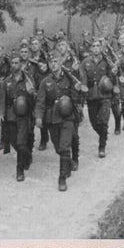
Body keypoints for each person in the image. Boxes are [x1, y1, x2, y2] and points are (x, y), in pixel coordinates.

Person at [35, 50, 82, 191]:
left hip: (67, 117)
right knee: (58, 147)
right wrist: (38, 116)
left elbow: (76, 100)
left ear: (61, 62)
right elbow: (40, 102)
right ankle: (67, 163)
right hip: (53, 118)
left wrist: (77, 90)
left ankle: (62, 178)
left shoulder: (70, 78)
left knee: (65, 145)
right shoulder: (45, 82)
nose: (53, 64)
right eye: (51, 62)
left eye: (56, 61)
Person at [0, 51, 36, 181]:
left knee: (21, 142)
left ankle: (19, 170)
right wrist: (1, 114)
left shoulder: (28, 79)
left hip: (24, 115)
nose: (14, 65)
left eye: (16, 63)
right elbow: (2, 99)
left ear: (21, 64)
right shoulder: (6, 81)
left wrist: (31, 93)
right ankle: (27, 154)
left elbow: (34, 97)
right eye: (12, 63)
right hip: (11, 115)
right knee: (14, 141)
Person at [80, 39, 117, 158]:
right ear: (91, 48)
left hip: (105, 95)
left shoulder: (106, 61)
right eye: (93, 46)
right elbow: (82, 76)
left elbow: (112, 77)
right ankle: (104, 134)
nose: (96, 48)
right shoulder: (85, 62)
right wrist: (84, 87)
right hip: (91, 96)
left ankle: (102, 146)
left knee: (103, 120)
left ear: (101, 48)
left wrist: (114, 72)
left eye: (98, 46)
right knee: (93, 122)